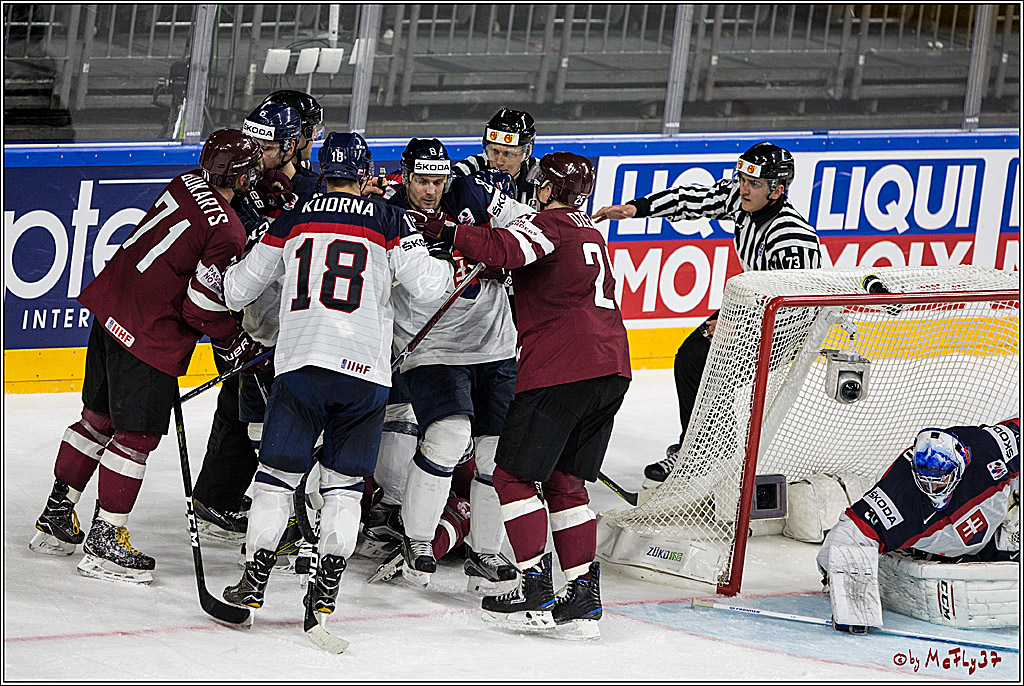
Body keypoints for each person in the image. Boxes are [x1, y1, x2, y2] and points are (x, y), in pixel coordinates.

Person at [218, 132, 453, 622]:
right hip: (366, 374)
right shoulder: (390, 219)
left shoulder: (293, 215)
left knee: (276, 478)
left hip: (302, 365)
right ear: (366, 173)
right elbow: (432, 288)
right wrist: (442, 255)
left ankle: (255, 576)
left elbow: (237, 291)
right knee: (344, 486)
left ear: (322, 169)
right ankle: (325, 589)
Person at [29, 129, 270, 585]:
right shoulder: (230, 231)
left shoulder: (184, 182)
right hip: (148, 334)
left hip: (110, 312)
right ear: (239, 174)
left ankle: (56, 516)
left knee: (96, 420)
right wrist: (232, 339)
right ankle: (105, 540)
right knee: (135, 438)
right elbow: (200, 306)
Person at [423, 152, 631, 639]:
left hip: (561, 368)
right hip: (612, 367)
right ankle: (582, 595)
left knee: (513, 476)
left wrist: (446, 229)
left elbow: (502, 249)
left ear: (546, 189)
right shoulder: (590, 234)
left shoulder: (550, 224)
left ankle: (534, 586)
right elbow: (541, 276)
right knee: (566, 484)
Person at [593, 142, 822, 488]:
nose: (744, 188)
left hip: (783, 326)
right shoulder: (743, 201)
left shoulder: (791, 236)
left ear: (777, 189)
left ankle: (702, 453)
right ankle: (711, 448)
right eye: (743, 178)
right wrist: (636, 208)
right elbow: (692, 200)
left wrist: (743, 324)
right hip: (751, 308)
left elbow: (798, 304)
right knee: (691, 358)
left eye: (755, 184)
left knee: (709, 367)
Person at [379, 137, 533, 590]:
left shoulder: (474, 192)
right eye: (423, 181)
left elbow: (525, 228)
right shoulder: (390, 212)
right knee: (449, 437)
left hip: (495, 343)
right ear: (405, 177)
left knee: (496, 452)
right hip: (431, 347)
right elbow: (426, 285)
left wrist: (493, 246)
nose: (431, 190)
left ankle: (485, 552)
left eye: (438, 180)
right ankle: (418, 539)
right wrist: (475, 255)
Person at [191, 101, 306, 544]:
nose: (255, 150)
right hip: (254, 321)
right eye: (252, 140)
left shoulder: (288, 182)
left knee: (241, 409)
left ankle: (219, 496)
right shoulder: (243, 183)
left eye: (266, 144)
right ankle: (269, 509)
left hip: (281, 321)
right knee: (251, 411)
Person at [817, 419, 1019, 632]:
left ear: (960, 466)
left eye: (940, 480)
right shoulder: (898, 495)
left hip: (997, 522)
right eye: (925, 480)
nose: (932, 487)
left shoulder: (991, 447)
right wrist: (833, 572)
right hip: (941, 551)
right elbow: (853, 531)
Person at [452, 108, 541, 208]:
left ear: (527, 152)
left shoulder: (542, 175)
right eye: (494, 151)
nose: (499, 161)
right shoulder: (471, 168)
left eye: (509, 154)